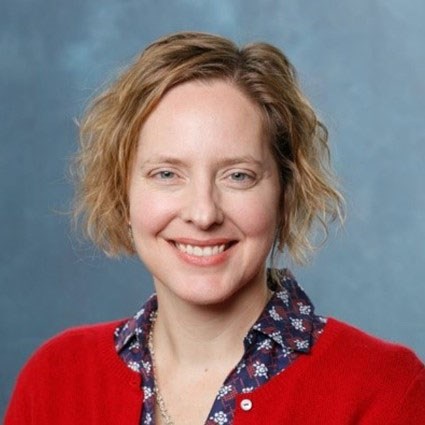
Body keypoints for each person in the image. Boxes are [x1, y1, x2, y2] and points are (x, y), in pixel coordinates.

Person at [5, 31, 425, 425]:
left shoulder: (385, 389)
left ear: (285, 194)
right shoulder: (55, 380)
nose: (203, 214)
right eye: (167, 174)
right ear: (123, 194)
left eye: (238, 176)